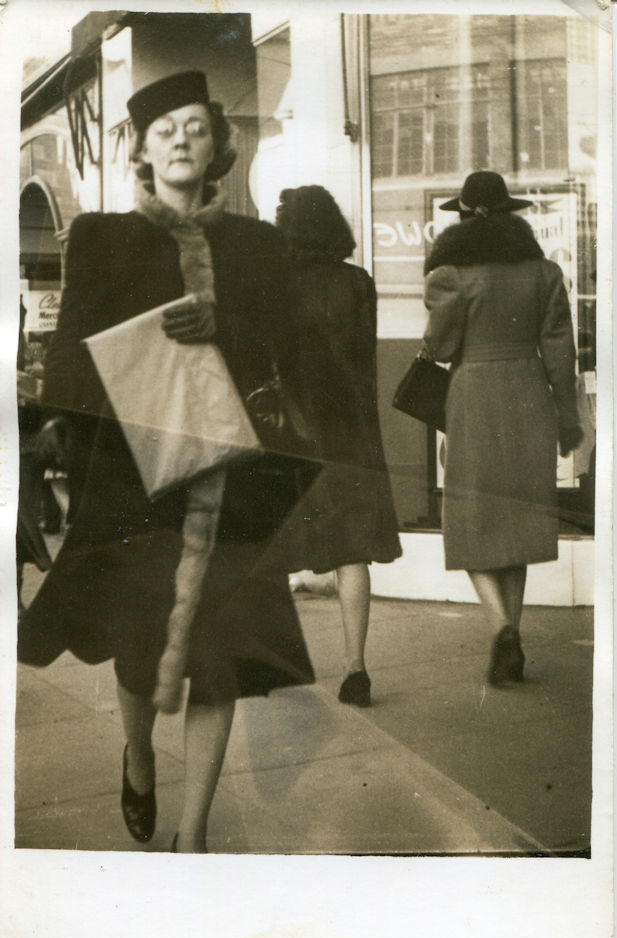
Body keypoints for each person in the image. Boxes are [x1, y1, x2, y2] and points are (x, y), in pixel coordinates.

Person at [18, 70, 315, 853]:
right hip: (134, 480)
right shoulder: (102, 236)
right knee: (138, 645)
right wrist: (62, 418)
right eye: (164, 129)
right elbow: (71, 348)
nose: (182, 139)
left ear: (217, 145)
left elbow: (287, 348)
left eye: (195, 126)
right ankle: (140, 757)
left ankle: (193, 833)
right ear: (143, 151)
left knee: (220, 657)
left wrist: (225, 323)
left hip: (232, 481)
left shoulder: (258, 245)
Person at [422, 170, 582, 686]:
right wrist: (568, 419)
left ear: (464, 219)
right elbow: (560, 353)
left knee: (472, 524)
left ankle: (501, 629)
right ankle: (512, 636)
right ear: (511, 217)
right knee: (515, 525)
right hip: (530, 397)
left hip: (474, 400)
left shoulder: (450, 275)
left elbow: (441, 347)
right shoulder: (544, 273)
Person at [275, 186, 401, 708]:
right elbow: (362, 361)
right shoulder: (359, 283)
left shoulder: (278, 286)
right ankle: (355, 667)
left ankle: (279, 664)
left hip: (294, 430)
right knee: (353, 553)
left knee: (277, 551)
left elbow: (275, 363)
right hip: (351, 432)